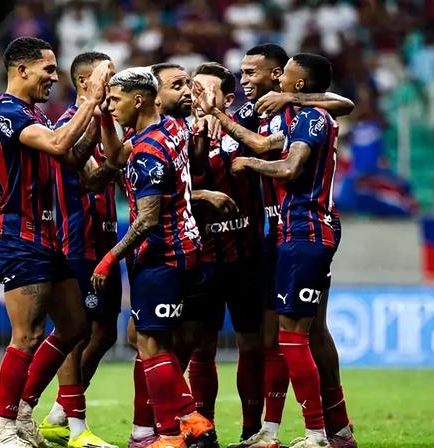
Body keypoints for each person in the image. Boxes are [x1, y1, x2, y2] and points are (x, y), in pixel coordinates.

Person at [195, 44, 355, 448]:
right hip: (275, 235)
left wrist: (292, 97)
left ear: (279, 74)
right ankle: (275, 430)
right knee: (284, 336)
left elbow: (344, 104)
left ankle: (329, 429)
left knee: (306, 333)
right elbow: (259, 143)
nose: (245, 79)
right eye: (242, 73)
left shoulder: (306, 112)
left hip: (304, 229)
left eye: (252, 72)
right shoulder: (255, 113)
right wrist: (212, 115)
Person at [0, 36, 110, 448]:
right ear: (21, 70)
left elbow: (72, 158)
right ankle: (3, 430)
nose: (55, 79)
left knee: (75, 325)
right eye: (48, 70)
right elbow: (58, 144)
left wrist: (98, 115)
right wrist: (88, 99)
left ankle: (23, 410)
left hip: (47, 236)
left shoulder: (33, 114)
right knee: (28, 334)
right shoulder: (3, 111)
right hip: (17, 235)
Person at [90, 67, 214, 448]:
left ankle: (174, 432)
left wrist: (109, 259)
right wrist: (103, 117)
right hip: (186, 250)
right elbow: (113, 157)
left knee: (150, 345)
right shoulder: (171, 128)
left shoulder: (147, 152)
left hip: (162, 256)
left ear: (139, 99)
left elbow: (146, 219)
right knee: (150, 342)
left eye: (116, 99)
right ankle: (189, 421)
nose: (110, 104)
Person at [39, 51, 119, 448]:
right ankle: (75, 427)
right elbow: (94, 178)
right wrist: (125, 155)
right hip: (77, 243)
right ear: (87, 82)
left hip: (108, 243)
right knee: (74, 332)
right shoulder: (65, 125)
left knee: (105, 334)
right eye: (110, 75)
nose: (115, 82)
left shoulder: (110, 123)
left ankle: (57, 412)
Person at [187, 62, 267, 434]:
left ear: (228, 98)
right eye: (193, 88)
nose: (196, 95)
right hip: (202, 260)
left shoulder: (245, 124)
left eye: (206, 89)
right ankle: (206, 430)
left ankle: (252, 431)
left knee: (253, 346)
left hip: (246, 259)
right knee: (202, 350)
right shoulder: (177, 132)